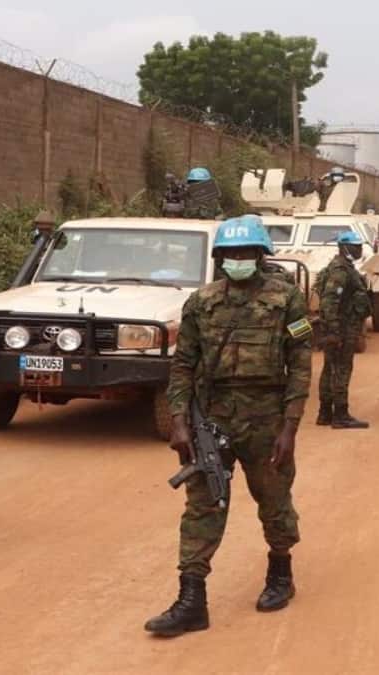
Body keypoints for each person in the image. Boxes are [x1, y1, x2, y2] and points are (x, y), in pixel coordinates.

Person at [145, 215, 312, 637]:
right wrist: (179, 421)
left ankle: (280, 573)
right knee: (203, 504)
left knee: (273, 498)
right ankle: (191, 600)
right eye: (231, 253)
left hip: (266, 416)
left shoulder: (288, 299)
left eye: (246, 253)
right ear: (220, 258)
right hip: (211, 417)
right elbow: (183, 365)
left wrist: (289, 427)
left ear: (260, 256)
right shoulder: (201, 303)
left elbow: (301, 365)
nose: (239, 260)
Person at [316, 231, 372, 429]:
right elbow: (329, 301)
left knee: (329, 368)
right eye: (355, 247)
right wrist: (333, 331)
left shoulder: (342, 267)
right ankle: (340, 415)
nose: (359, 250)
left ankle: (324, 413)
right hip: (342, 328)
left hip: (339, 326)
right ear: (344, 247)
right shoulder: (340, 270)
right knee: (341, 369)